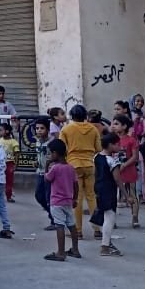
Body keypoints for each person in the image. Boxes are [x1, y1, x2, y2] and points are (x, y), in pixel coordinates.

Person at [61, 104, 101, 239]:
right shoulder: (93, 129)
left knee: (77, 198)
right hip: (90, 165)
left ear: (72, 116)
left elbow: (62, 148)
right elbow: (98, 148)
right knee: (91, 196)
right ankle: (97, 229)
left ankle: (78, 230)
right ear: (85, 116)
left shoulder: (66, 129)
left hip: (73, 165)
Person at [94, 133, 133, 256]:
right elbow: (118, 179)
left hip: (99, 189)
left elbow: (95, 174)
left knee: (105, 215)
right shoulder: (112, 160)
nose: (119, 147)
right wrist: (127, 196)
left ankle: (107, 243)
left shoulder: (96, 157)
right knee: (110, 217)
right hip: (109, 190)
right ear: (110, 145)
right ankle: (105, 247)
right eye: (117, 144)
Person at [43, 138, 80, 261]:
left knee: (59, 225)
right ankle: (75, 249)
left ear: (55, 153)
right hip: (68, 201)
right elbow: (76, 185)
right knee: (71, 225)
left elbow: (47, 179)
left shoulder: (55, 168)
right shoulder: (70, 168)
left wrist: (46, 166)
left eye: (50, 153)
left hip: (57, 202)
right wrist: (75, 198)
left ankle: (60, 252)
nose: (49, 156)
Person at [111, 113, 140, 228]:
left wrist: (124, 165)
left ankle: (135, 216)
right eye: (113, 124)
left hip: (129, 171)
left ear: (124, 126)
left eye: (116, 124)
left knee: (132, 193)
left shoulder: (131, 140)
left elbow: (135, 157)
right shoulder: (112, 140)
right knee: (114, 195)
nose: (113, 126)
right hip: (115, 171)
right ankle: (112, 219)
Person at [32, 117, 56, 230]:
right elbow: (39, 155)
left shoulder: (52, 142)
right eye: (37, 128)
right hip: (40, 172)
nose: (39, 130)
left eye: (42, 128)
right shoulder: (38, 142)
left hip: (50, 173)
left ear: (47, 129)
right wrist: (36, 162)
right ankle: (53, 216)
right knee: (39, 195)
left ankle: (54, 220)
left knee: (49, 197)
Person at [0, 121, 19, 202]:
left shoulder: (13, 142)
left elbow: (17, 153)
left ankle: (8, 196)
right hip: (0, 163)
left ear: (7, 131)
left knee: (9, 181)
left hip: (9, 163)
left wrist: (15, 164)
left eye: (1, 130)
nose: (0, 132)